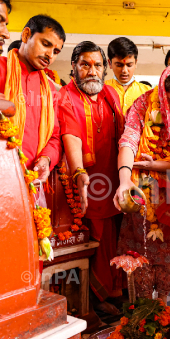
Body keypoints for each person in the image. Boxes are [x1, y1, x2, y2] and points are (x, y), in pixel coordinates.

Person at [113, 62, 170, 305]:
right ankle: (143, 305)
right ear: (163, 91)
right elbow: (129, 142)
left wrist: (155, 165)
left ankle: (163, 303)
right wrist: (124, 182)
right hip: (141, 191)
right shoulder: (143, 104)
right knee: (141, 252)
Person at [58, 41, 125, 315]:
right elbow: (70, 134)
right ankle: (91, 301)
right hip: (84, 182)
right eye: (85, 64)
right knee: (92, 237)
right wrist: (79, 172)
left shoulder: (111, 94)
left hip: (114, 180)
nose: (92, 71)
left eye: (98, 65)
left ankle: (114, 289)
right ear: (74, 66)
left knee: (114, 236)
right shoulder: (65, 97)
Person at [0, 14, 64, 181]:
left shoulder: (50, 90)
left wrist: (47, 159)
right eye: (45, 44)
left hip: (30, 180)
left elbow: (55, 137)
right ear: (26, 35)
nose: (50, 55)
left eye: (55, 51)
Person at [105, 37, 150, 113]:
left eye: (129, 65)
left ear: (136, 63)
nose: (124, 71)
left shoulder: (147, 92)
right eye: (119, 65)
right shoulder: (101, 91)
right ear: (109, 63)